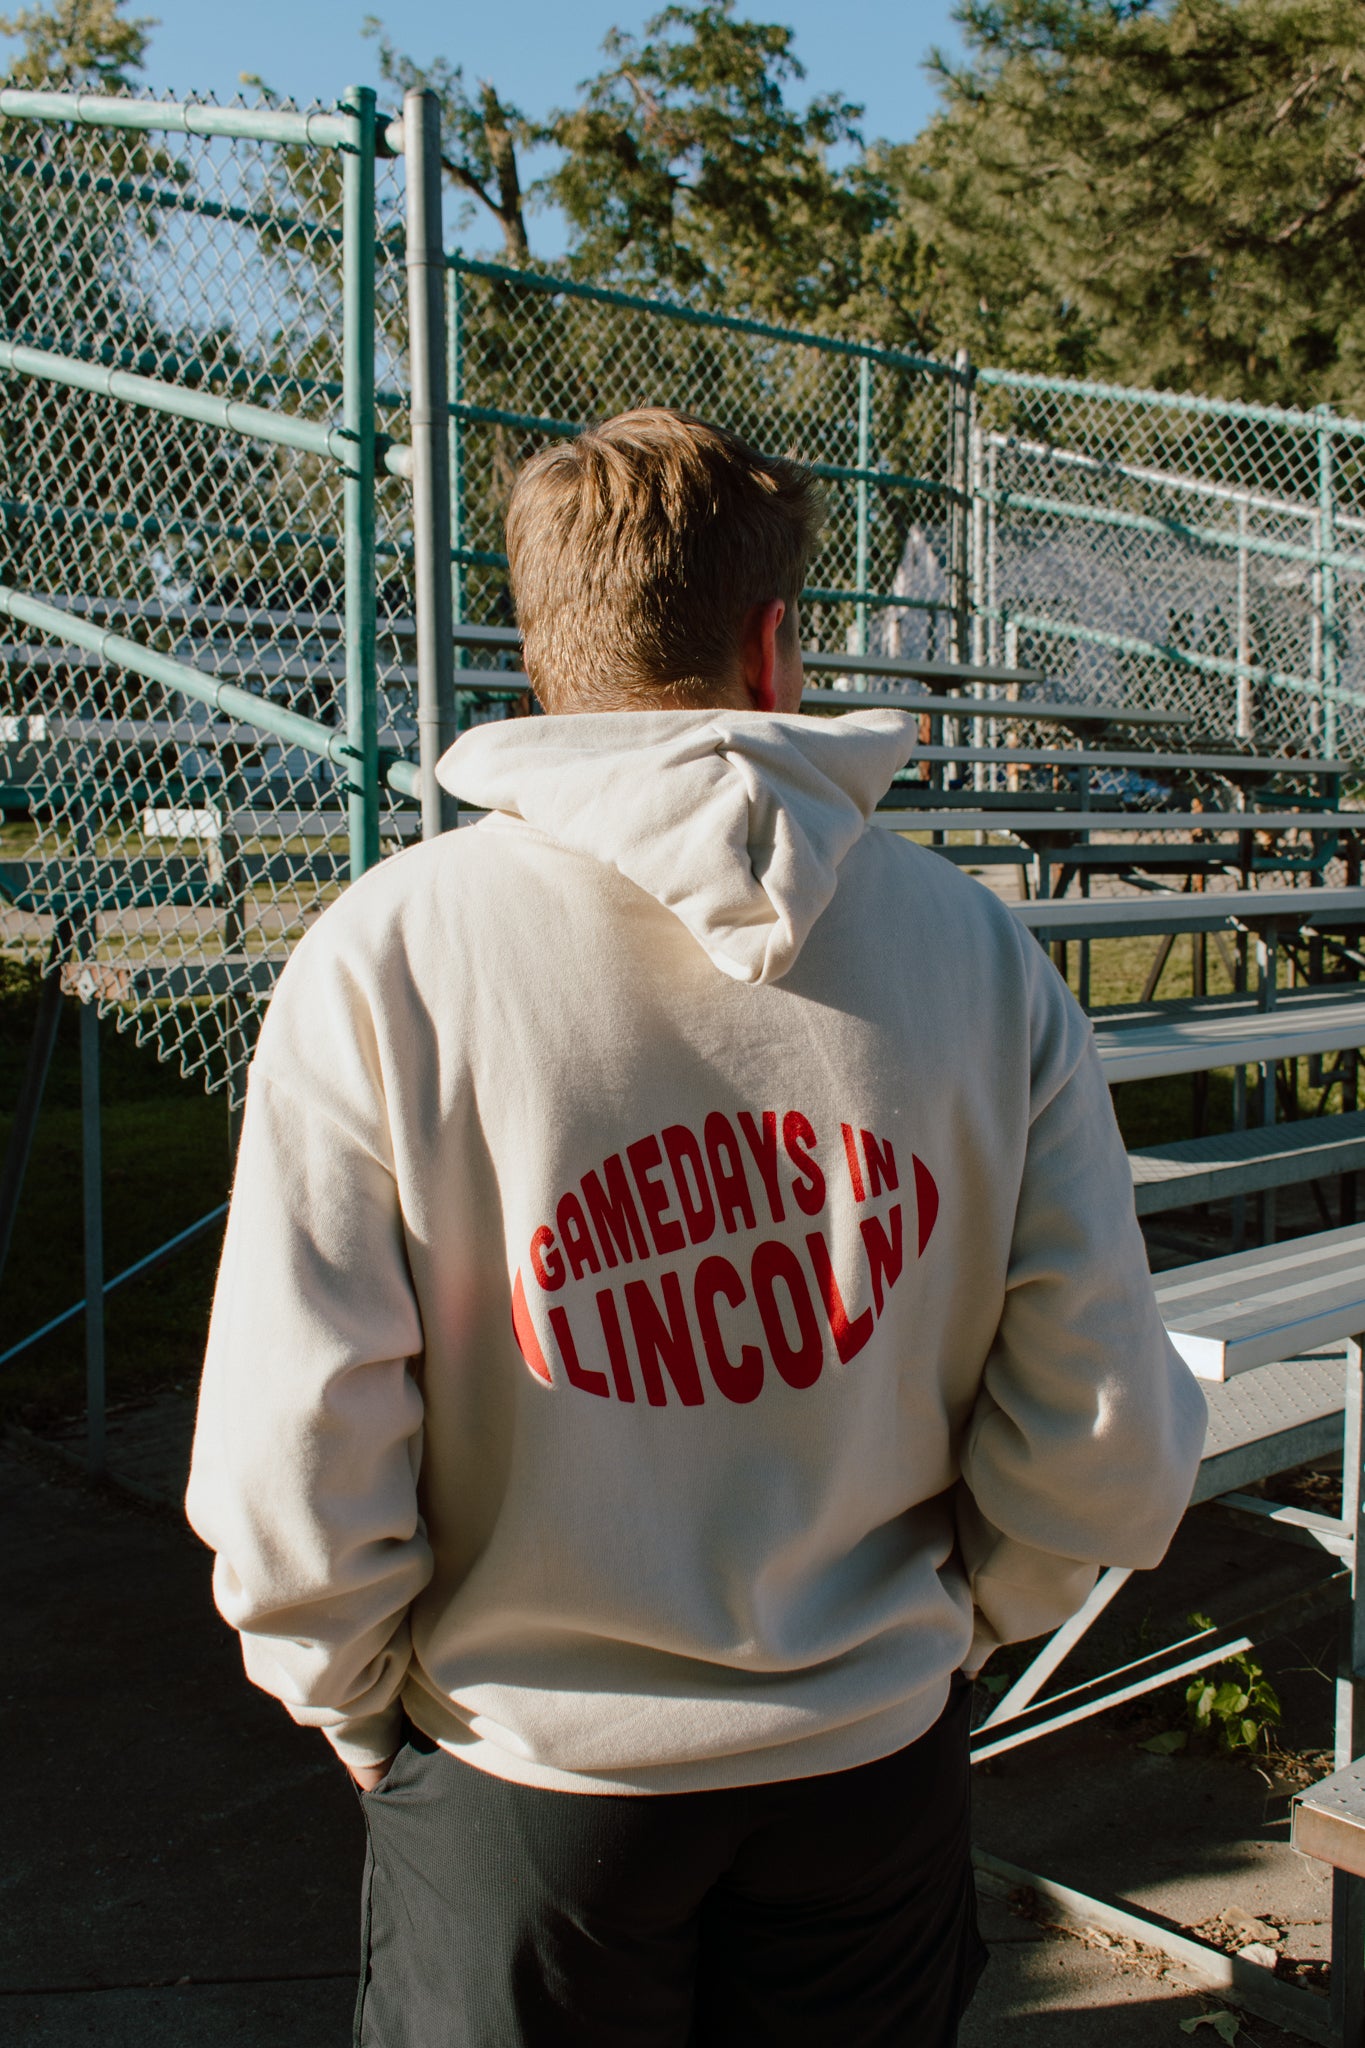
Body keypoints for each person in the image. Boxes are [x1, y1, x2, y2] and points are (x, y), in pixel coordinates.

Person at [186, 407, 1207, 2048]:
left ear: (539, 647)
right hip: (865, 1763)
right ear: (774, 643)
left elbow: (293, 1450)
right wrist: (948, 1634)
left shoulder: (386, 956)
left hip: (525, 1777)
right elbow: (1098, 1420)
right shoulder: (975, 952)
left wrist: (352, 1703)